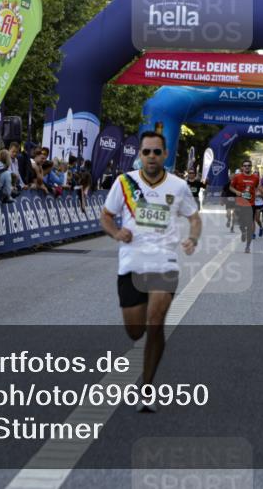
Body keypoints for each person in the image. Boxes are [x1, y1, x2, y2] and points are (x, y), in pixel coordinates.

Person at [100, 132, 201, 411]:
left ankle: (147, 388)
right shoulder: (125, 182)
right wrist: (116, 232)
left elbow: (194, 218)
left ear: (165, 154)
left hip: (164, 263)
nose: (152, 157)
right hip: (132, 263)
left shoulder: (178, 186)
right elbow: (106, 215)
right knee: (135, 331)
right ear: (140, 155)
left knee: (155, 322)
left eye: (157, 152)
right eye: (147, 152)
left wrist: (193, 238)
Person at [229, 159, 259, 253]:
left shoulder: (255, 178)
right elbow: (230, 187)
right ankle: (243, 232)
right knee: (241, 223)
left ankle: (248, 247)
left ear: (251, 167)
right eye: (245, 166)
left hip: (251, 204)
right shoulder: (237, 177)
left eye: (249, 165)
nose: (247, 167)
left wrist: (258, 194)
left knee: (250, 225)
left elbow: (257, 188)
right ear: (242, 167)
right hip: (239, 204)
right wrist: (236, 192)